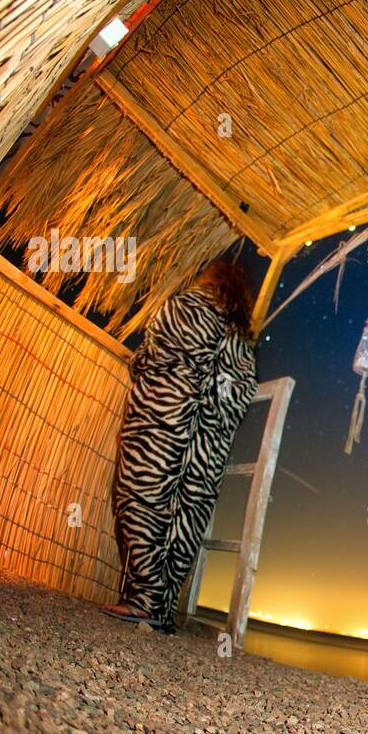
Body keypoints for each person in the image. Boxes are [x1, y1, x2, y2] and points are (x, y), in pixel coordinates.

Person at [103, 258, 259, 630]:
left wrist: (141, 363)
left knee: (141, 493)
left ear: (210, 280)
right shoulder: (240, 340)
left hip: (164, 415)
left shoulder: (187, 307)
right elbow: (239, 394)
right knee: (188, 513)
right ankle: (162, 608)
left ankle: (143, 600)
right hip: (210, 442)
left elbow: (154, 359)